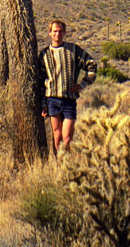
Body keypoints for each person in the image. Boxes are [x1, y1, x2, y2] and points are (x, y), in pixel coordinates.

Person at [39, 18, 97, 154]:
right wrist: (43, 103)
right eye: (54, 31)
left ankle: (68, 164)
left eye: (60, 31)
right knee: (56, 135)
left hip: (69, 99)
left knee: (67, 137)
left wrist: (82, 85)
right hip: (52, 99)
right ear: (49, 33)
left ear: (64, 33)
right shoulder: (44, 54)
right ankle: (58, 165)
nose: (57, 34)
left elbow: (92, 64)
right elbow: (41, 80)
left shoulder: (73, 50)